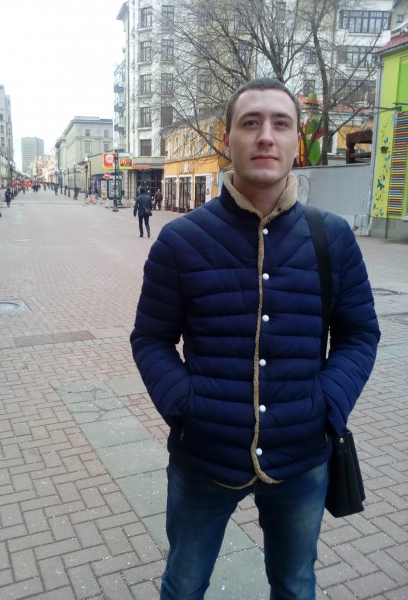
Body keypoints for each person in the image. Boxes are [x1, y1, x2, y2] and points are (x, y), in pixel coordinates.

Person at [130, 78, 380, 600]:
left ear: (296, 142)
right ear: (229, 139)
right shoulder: (181, 240)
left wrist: (327, 406)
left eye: (280, 123)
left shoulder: (331, 237)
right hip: (204, 456)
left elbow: (358, 334)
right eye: (251, 123)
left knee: (294, 585)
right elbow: (151, 338)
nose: (266, 135)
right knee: (183, 584)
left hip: (300, 457)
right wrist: (185, 407)